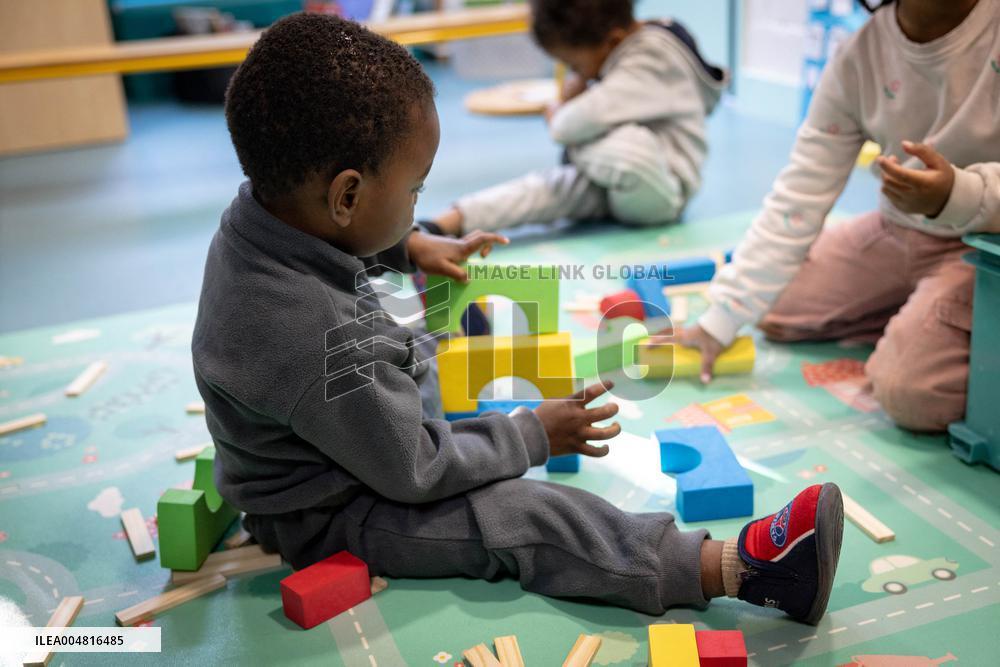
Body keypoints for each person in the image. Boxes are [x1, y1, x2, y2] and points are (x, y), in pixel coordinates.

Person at [192, 12, 843, 624]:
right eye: (415, 189)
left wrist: (409, 243)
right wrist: (531, 433)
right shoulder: (314, 338)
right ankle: (740, 568)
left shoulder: (262, 215)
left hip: (357, 429)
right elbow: (415, 470)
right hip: (336, 511)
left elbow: (337, 251)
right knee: (520, 516)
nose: (420, 199)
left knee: (447, 317)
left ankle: (452, 394)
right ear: (347, 195)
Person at [683, 0, 1000, 432]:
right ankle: (920, 316)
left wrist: (959, 195)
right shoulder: (859, 54)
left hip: (982, 249)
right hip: (898, 231)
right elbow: (800, 192)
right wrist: (721, 319)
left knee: (910, 394)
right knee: (770, 307)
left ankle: (932, 326)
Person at [426, 0, 727, 236]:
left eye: (574, 64)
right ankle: (449, 221)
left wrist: (559, 110)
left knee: (628, 146)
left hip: (662, 191)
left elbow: (569, 125)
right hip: (614, 178)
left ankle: (578, 151)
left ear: (612, 42)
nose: (576, 75)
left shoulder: (652, 60)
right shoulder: (619, 52)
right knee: (547, 190)